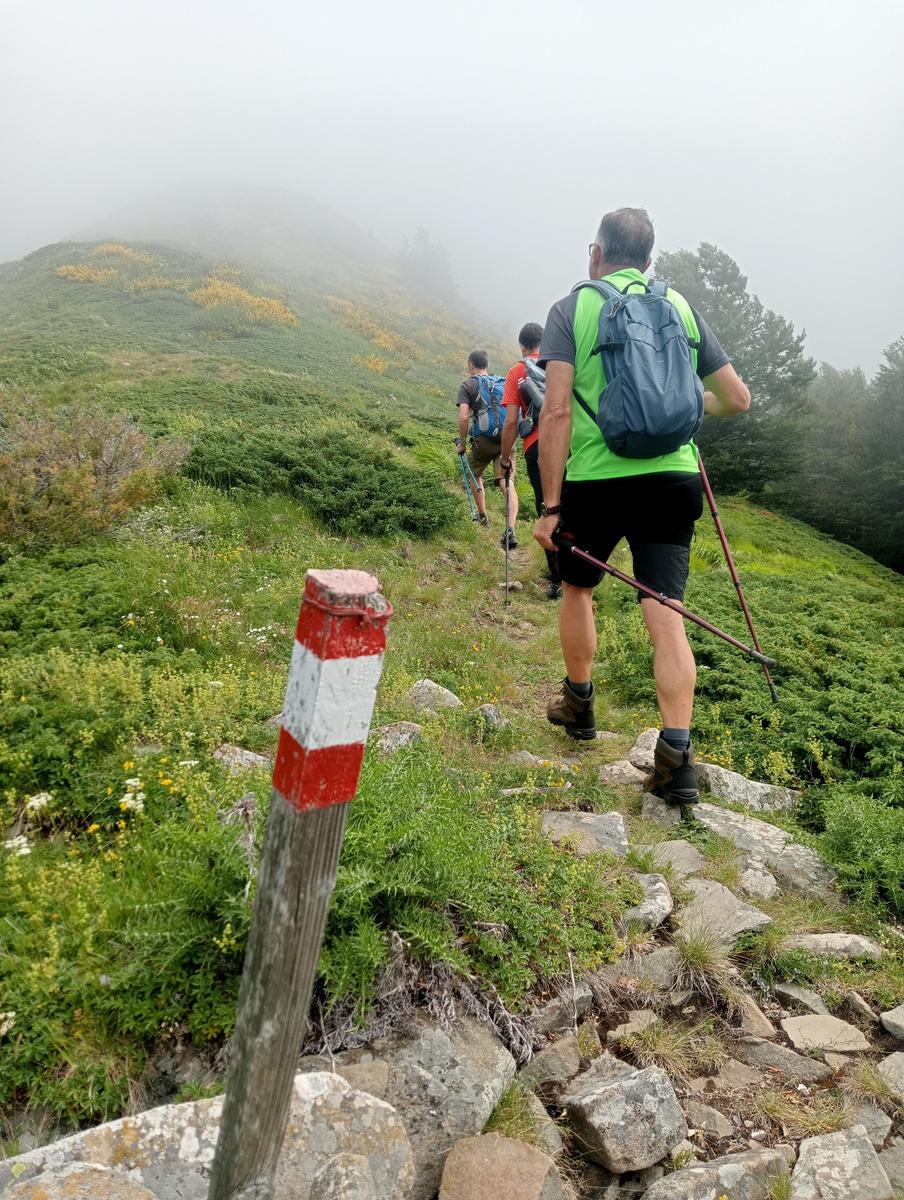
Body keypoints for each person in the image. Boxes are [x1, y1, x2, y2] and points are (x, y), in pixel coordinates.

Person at [533, 207, 750, 804]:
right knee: (666, 608)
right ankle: (676, 760)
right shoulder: (678, 305)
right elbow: (737, 398)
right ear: (649, 261)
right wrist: (686, 409)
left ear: (596, 253)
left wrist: (550, 506)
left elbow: (555, 411)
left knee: (578, 590)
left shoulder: (571, 308)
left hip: (597, 481)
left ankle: (579, 706)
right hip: (673, 479)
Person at [499, 322, 562, 598]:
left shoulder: (517, 371)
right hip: (571, 443)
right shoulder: (560, 363)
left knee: (547, 508)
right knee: (572, 507)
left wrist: (505, 458)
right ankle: (579, 574)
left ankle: (558, 579)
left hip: (537, 446)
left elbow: (511, 421)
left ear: (522, 345)